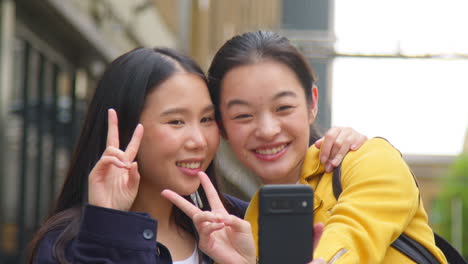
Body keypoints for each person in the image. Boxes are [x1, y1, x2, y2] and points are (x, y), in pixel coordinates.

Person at [28, 46, 365, 264]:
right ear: (128, 128)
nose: (199, 140)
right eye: (176, 121)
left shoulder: (243, 224)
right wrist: (111, 228)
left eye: (206, 120)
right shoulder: (67, 242)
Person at [205, 30, 448, 263]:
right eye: (243, 115)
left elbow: (354, 234)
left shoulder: (369, 160)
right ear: (222, 126)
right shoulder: (245, 230)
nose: (268, 130)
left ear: (312, 104)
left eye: (284, 108)